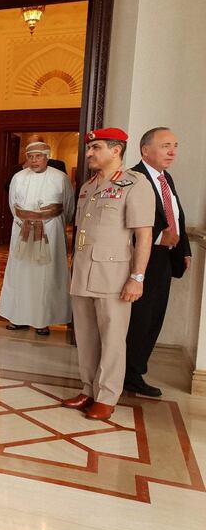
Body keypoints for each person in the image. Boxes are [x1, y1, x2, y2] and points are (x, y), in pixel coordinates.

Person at [62, 128, 154, 421]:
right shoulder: (88, 186)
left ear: (116, 150)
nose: (89, 153)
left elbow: (143, 236)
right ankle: (88, 388)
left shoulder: (134, 184)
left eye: (96, 147)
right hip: (83, 272)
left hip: (114, 275)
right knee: (86, 336)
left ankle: (107, 395)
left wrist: (136, 278)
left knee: (113, 338)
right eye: (89, 148)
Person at [125, 127, 190, 397]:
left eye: (174, 145)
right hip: (142, 258)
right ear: (145, 150)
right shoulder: (132, 178)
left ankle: (137, 370)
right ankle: (129, 374)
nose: (172, 151)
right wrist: (156, 241)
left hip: (165, 258)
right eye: (165, 146)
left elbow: (176, 216)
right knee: (138, 319)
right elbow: (123, 225)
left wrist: (183, 249)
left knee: (154, 318)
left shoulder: (166, 178)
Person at [0, 141, 75, 335]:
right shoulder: (18, 177)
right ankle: (18, 318)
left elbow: (68, 207)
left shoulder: (60, 178)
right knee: (21, 273)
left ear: (47, 157)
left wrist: (49, 223)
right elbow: (12, 204)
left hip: (51, 232)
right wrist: (27, 221)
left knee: (45, 276)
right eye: (31, 157)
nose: (34, 160)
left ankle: (43, 320)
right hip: (22, 230)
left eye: (38, 156)